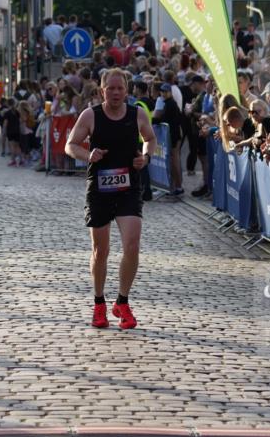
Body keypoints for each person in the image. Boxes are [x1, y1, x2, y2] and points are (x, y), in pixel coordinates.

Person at [65, 67, 156, 330]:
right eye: (111, 88)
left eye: (120, 88)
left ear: (126, 90)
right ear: (101, 90)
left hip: (128, 186)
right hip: (100, 190)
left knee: (132, 244)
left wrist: (146, 157)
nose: (116, 93)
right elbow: (70, 145)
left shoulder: (136, 114)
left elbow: (150, 138)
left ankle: (123, 302)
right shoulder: (90, 115)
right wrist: (87, 155)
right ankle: (99, 303)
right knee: (100, 250)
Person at [153, 82, 183, 196]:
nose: (163, 94)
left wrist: (152, 121)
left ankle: (178, 186)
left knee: (174, 161)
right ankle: (175, 186)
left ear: (170, 92)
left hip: (173, 136)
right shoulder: (168, 103)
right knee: (172, 160)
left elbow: (165, 120)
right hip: (172, 134)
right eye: (162, 91)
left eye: (166, 92)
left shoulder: (170, 104)